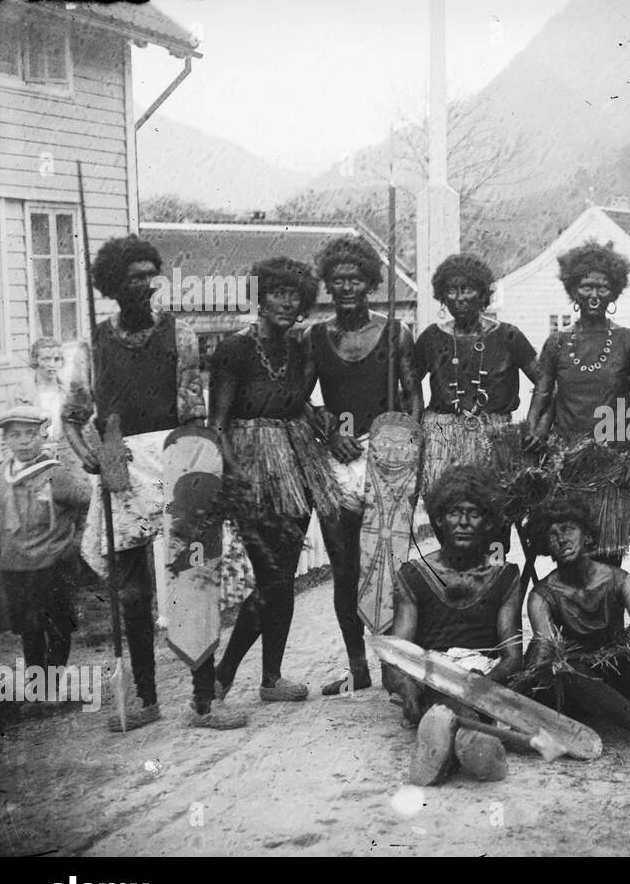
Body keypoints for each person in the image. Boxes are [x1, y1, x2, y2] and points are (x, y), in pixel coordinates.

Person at [63, 235, 246, 730]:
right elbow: (73, 417)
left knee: (195, 579)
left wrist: (203, 464)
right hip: (122, 469)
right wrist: (92, 460)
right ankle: (145, 699)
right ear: (112, 285)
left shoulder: (181, 334)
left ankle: (204, 702)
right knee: (132, 595)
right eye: (132, 277)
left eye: (150, 275)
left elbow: (193, 407)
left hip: (178, 459)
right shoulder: (90, 348)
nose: (144, 285)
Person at [208, 258, 343, 703]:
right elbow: (218, 423)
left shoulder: (300, 348)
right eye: (278, 293)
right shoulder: (234, 349)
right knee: (273, 578)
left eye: (296, 297)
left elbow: (296, 401)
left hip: (297, 464)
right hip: (253, 468)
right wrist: (236, 477)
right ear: (260, 297)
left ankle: (271, 678)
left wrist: (321, 420)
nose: (287, 303)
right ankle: (223, 675)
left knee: (281, 575)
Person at [303, 234, 423, 696]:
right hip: (337, 462)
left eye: (355, 279)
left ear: (371, 283)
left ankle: (395, 665)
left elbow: (414, 396)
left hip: (388, 460)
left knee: (390, 566)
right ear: (328, 286)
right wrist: (329, 431)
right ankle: (358, 669)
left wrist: (402, 446)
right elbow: (301, 399)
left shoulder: (396, 334)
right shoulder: (316, 337)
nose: (347, 287)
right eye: (338, 280)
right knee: (346, 570)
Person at [523, 496, 630, 767]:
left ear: (587, 535)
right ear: (546, 546)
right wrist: (540, 661)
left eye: (569, 529)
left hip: (619, 672)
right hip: (582, 688)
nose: (562, 540)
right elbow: (548, 650)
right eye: (553, 535)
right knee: (566, 670)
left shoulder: (619, 580)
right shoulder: (542, 596)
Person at [383, 466, 523, 785]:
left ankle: (446, 749)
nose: (462, 522)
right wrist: (405, 687)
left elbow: (514, 656)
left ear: (488, 522)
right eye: (453, 513)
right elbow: (397, 653)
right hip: (430, 676)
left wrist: (481, 682)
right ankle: (472, 740)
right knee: (434, 684)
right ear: (439, 521)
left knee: (464, 698)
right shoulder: (413, 574)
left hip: (483, 680)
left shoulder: (505, 576)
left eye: (473, 514)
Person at [526, 240, 630, 565]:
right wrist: (531, 431)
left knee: (608, 556)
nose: (594, 294)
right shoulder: (558, 342)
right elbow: (543, 392)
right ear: (573, 290)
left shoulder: (629, 341)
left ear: (614, 292)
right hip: (566, 465)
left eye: (602, 287)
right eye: (586, 286)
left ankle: (612, 616)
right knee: (568, 556)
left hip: (613, 463)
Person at [415, 253, 539, 505]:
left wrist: (534, 426)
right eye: (451, 291)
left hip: (494, 438)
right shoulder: (431, 338)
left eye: (467, 289)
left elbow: (545, 383)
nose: (459, 298)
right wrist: (418, 427)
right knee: (445, 508)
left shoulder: (508, 336)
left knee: (494, 513)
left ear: (483, 295)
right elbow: (408, 385)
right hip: (442, 438)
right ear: (442, 296)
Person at [0, 405, 91, 710]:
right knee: (30, 629)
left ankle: (49, 690)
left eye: (29, 434)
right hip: (15, 565)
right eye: (14, 435)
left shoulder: (56, 474)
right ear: (6, 440)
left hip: (52, 565)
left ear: (42, 435)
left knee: (58, 627)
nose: (23, 442)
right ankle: (38, 692)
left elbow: (86, 503)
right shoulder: (1, 475)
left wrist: (74, 542)